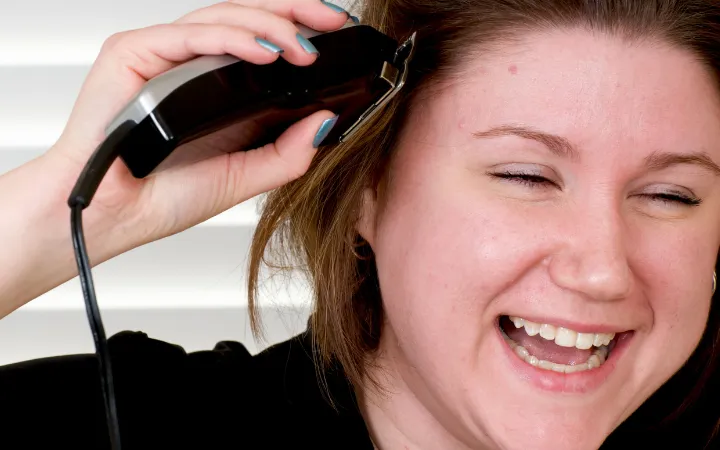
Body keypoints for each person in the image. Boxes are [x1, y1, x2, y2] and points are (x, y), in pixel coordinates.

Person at [1, 0, 719, 448]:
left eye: (670, 196)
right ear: (367, 185)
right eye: (526, 177)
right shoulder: (143, 425)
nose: (603, 269)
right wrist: (57, 211)